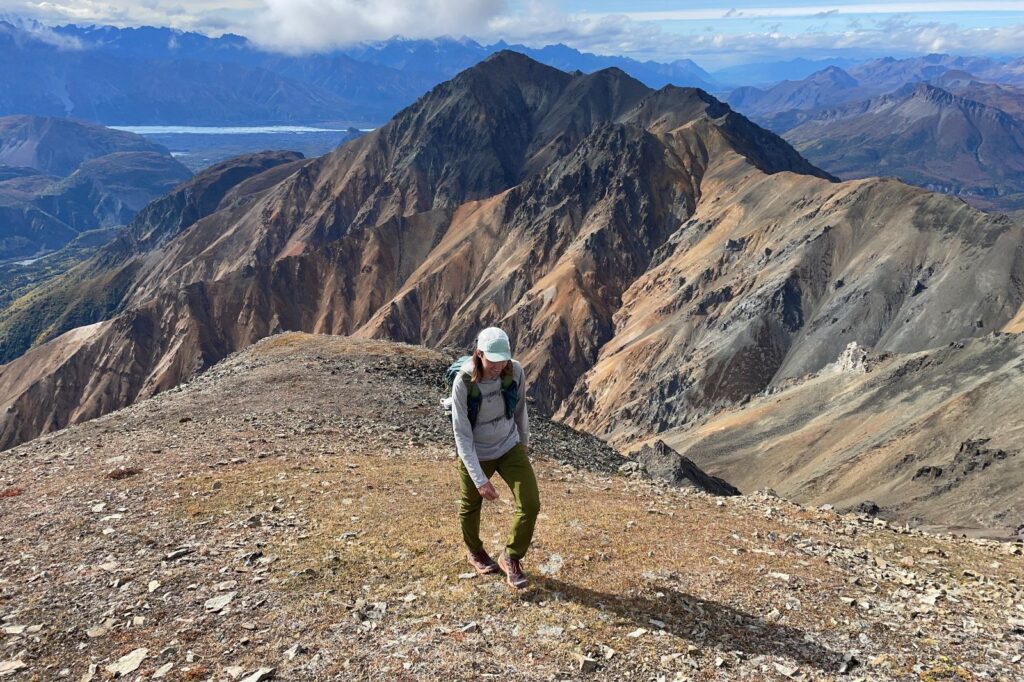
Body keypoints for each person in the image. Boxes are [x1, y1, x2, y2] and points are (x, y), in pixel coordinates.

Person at [451, 326, 539, 589]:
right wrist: (479, 479)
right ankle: (475, 551)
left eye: (503, 360)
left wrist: (523, 443)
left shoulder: (515, 370)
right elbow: (461, 433)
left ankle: (511, 556)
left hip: (509, 445)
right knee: (470, 504)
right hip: (476, 451)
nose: (499, 366)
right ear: (479, 354)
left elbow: (521, 407)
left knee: (530, 502)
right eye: (493, 360)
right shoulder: (463, 382)